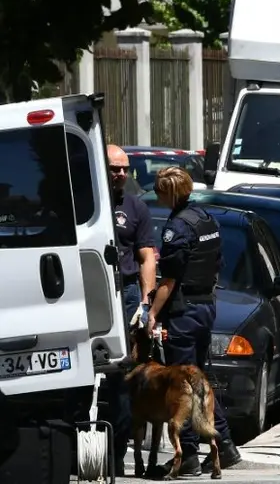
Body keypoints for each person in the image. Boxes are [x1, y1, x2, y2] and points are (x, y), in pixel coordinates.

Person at [147, 166, 242, 477]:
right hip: (205, 307)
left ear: (170, 193)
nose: (157, 195)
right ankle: (224, 444)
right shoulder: (206, 218)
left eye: (160, 190)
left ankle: (187, 454)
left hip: (185, 311)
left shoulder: (177, 227)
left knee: (182, 386)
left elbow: (169, 280)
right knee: (201, 382)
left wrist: (151, 313)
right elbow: (216, 263)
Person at [106, 144, 157, 476]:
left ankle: (119, 450)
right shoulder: (82, 201)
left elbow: (146, 258)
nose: (121, 174)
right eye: (114, 168)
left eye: (125, 169)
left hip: (124, 292)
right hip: (88, 293)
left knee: (124, 373)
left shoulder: (136, 208)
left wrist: (145, 303)